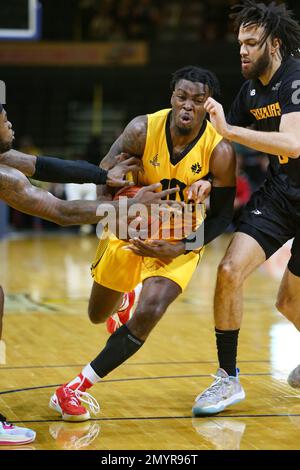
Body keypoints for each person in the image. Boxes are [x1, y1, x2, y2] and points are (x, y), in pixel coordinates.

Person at [49, 65, 237, 422]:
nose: (188, 106)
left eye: (198, 100)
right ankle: (123, 297)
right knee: (97, 315)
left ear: (208, 105)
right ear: (172, 97)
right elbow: (104, 178)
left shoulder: (220, 151)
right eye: (182, 97)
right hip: (130, 230)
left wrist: (183, 245)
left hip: (180, 239)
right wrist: (123, 199)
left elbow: (223, 218)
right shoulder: (141, 129)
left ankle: (72, 389)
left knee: (151, 311)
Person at [0, 103, 177, 444]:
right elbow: (60, 211)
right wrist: (127, 206)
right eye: (4, 119)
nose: (11, 123)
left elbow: (42, 165)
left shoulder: (6, 159)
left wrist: (100, 176)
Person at [192, 0, 300, 416]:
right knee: (228, 270)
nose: (242, 51)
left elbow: (292, 143)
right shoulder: (252, 88)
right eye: (240, 43)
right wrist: (204, 175)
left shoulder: (294, 77)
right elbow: (219, 141)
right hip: (281, 193)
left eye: (251, 44)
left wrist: (231, 130)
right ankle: (227, 379)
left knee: (289, 303)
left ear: (273, 44)